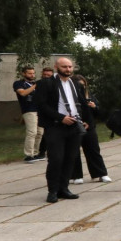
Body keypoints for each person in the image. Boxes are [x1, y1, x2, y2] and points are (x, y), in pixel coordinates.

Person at [34, 57, 86, 203]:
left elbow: (80, 103)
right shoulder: (46, 83)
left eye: (70, 67)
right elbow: (42, 105)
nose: (68, 69)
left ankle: (64, 188)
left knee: (70, 159)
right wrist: (60, 117)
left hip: (74, 126)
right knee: (56, 159)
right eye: (64, 67)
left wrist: (85, 120)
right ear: (56, 67)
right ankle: (52, 191)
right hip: (55, 126)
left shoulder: (75, 83)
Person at [69, 74, 111, 184]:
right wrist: (79, 122)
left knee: (93, 150)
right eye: (79, 85)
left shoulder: (90, 95)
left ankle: (100, 173)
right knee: (74, 152)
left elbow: (99, 113)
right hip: (74, 125)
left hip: (90, 126)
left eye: (83, 85)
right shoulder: (70, 96)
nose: (82, 87)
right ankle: (75, 175)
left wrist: (94, 107)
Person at [14, 66, 44, 162]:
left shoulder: (35, 83)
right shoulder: (19, 83)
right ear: (24, 74)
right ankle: (28, 155)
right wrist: (35, 86)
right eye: (30, 73)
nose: (32, 75)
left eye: (33, 73)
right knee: (32, 132)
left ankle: (36, 153)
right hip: (29, 109)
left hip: (39, 109)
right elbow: (23, 93)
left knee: (40, 132)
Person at [35, 67, 54, 156]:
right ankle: (41, 151)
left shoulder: (55, 84)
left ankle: (45, 150)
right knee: (43, 133)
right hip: (42, 111)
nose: (46, 77)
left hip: (53, 111)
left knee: (47, 134)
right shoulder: (39, 84)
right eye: (45, 75)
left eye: (49, 75)